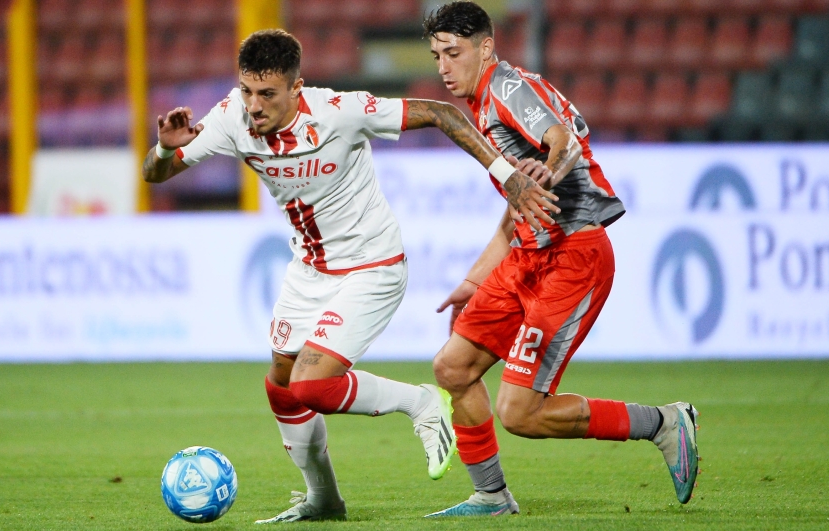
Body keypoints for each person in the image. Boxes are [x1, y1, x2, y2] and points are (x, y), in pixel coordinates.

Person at [141, 29, 559, 523]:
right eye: (249, 91)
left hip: (372, 265)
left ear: (297, 89)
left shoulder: (340, 111)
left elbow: (442, 113)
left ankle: (421, 402)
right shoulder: (232, 116)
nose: (255, 106)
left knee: (312, 386)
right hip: (309, 270)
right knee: (280, 383)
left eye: (268, 94)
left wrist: (507, 176)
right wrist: (166, 150)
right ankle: (323, 499)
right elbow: (154, 173)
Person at [419, 2, 701, 517]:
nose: (442, 66)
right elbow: (516, 208)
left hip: (573, 257)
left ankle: (663, 422)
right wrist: (473, 280)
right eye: (436, 54)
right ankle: (491, 496)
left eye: (452, 53)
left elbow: (564, 140)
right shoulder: (483, 102)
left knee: (520, 412)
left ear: (485, 47)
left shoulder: (507, 89)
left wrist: (548, 171)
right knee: (453, 367)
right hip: (527, 257)